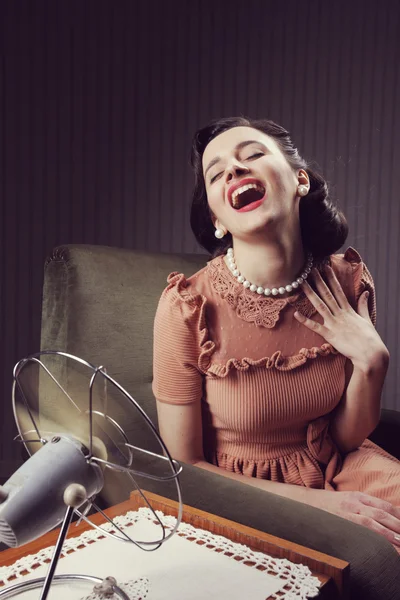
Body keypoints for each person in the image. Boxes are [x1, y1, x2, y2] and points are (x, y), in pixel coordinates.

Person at [152, 116, 400, 551]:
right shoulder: (185, 307)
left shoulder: (349, 280)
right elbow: (185, 467)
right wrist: (318, 505)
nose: (234, 170)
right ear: (217, 219)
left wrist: (374, 364)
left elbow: (345, 437)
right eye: (217, 172)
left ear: (299, 180)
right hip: (244, 495)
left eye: (253, 155)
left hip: (341, 465)